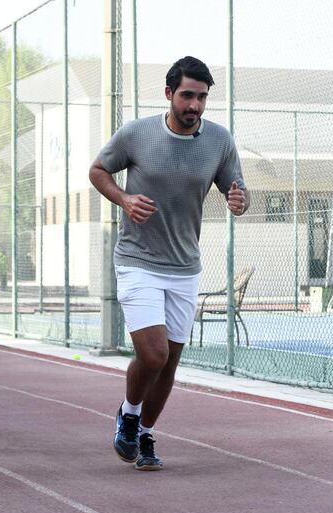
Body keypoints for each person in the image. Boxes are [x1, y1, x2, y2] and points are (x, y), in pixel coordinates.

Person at [88, 56, 249, 471]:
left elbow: (239, 190)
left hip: (185, 267)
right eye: (187, 96)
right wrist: (123, 198)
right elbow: (98, 169)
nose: (194, 105)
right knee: (154, 353)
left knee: (170, 362)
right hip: (138, 260)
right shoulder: (137, 135)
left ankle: (142, 434)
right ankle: (127, 413)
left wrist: (239, 201)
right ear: (169, 95)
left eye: (202, 97)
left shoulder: (219, 140)